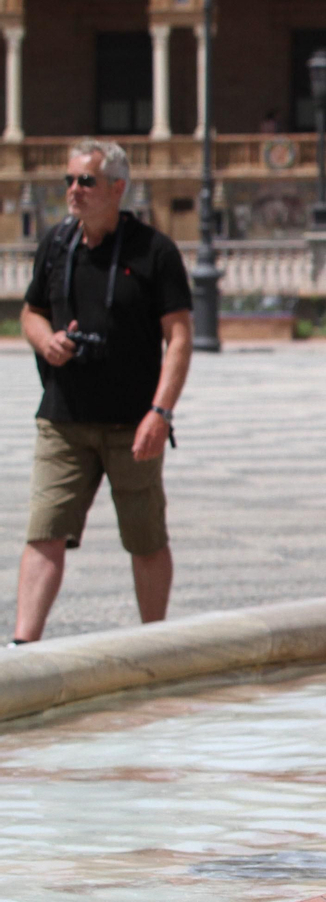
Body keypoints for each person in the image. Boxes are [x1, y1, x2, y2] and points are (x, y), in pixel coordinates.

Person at [10, 139, 194, 646]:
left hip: (132, 423)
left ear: (117, 187)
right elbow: (30, 312)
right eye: (69, 180)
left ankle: (154, 641)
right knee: (45, 530)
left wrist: (160, 412)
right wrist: (45, 340)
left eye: (85, 181)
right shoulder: (56, 244)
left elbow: (178, 337)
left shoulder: (153, 251)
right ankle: (23, 647)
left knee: (145, 537)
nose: (74, 190)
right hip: (63, 418)